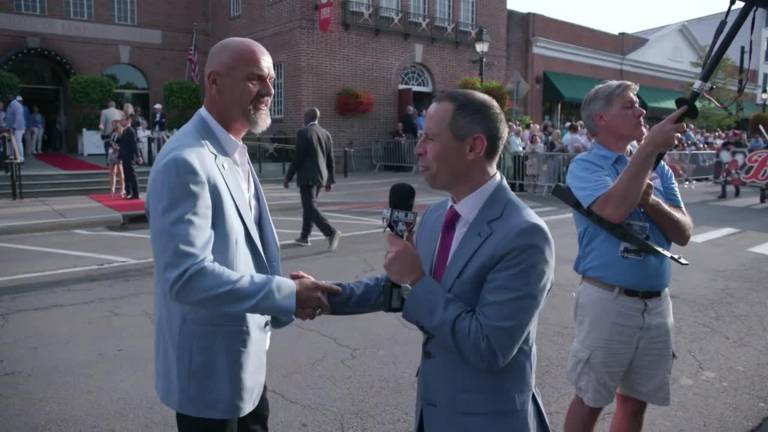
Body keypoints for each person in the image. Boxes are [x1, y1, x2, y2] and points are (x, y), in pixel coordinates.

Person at [324, 89, 555, 431]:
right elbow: (401, 288)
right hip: (434, 411)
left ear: (474, 147)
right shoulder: (435, 216)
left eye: (430, 138)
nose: (418, 149)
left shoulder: (524, 236)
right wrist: (325, 296)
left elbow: (488, 346)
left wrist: (417, 279)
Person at [146, 37, 340, 432]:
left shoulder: (233, 148)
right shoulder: (186, 161)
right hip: (209, 379)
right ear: (214, 83)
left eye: (270, 80)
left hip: (245, 366)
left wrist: (281, 290)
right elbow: (187, 277)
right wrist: (285, 295)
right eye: (255, 79)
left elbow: (238, 254)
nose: (269, 90)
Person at [562, 81, 693, 432]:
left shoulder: (659, 169)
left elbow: (683, 232)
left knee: (635, 404)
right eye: (629, 106)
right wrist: (649, 148)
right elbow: (613, 211)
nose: (641, 111)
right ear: (601, 118)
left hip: (656, 303)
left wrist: (651, 201)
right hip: (609, 300)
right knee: (590, 399)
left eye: (639, 105)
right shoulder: (586, 166)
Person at [283, 107, 341, 250]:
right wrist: (330, 179)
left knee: (309, 206)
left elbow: (298, 157)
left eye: (304, 116)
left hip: (307, 176)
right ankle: (304, 236)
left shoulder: (303, 133)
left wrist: (288, 177)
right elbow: (330, 158)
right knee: (309, 206)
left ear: (307, 117)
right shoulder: (326, 134)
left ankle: (331, 232)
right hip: (321, 176)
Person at [118, 115, 141, 200]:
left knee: (132, 175)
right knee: (127, 175)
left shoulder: (131, 130)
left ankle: (135, 193)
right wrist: (120, 155)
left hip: (130, 156)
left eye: (123, 120)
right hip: (125, 156)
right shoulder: (124, 130)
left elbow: (134, 144)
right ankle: (128, 192)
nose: (121, 122)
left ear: (128, 121)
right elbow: (122, 144)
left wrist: (138, 156)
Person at [107, 120, 125, 198]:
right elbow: (110, 142)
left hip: (118, 153)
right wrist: (112, 145)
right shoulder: (113, 133)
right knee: (112, 172)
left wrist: (117, 147)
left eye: (113, 124)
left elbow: (122, 144)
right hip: (111, 153)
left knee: (120, 172)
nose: (112, 126)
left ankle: (122, 190)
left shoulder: (121, 133)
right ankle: (112, 189)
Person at [6, 96, 25, 162]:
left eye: (9, 97)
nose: (7, 98)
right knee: (11, 142)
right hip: (13, 127)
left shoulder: (16, 105)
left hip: (18, 128)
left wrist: (14, 127)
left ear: (12, 98)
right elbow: (9, 116)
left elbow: (18, 117)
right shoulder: (11, 105)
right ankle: (12, 156)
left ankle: (21, 157)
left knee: (18, 142)